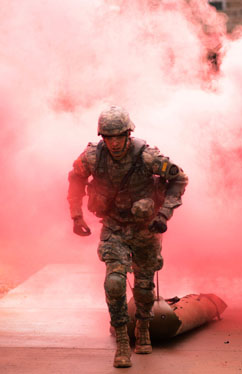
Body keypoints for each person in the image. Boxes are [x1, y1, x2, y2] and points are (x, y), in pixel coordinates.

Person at [67, 105, 188, 368]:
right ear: (102, 137)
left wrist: (163, 214)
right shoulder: (91, 157)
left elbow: (179, 178)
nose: (113, 142)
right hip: (114, 227)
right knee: (114, 282)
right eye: (107, 137)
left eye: (118, 136)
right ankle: (122, 340)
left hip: (145, 228)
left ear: (128, 134)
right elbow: (75, 179)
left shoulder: (147, 157)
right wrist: (77, 215)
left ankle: (143, 327)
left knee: (144, 288)